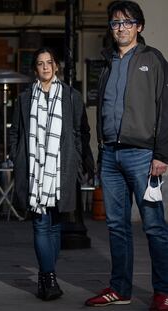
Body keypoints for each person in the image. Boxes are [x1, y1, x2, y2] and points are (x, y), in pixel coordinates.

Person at [85, 1, 168, 310]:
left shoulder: (153, 60)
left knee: (154, 226)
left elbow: (165, 109)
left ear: (139, 27)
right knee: (116, 226)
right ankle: (120, 289)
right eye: (115, 23)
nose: (120, 28)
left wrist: (162, 154)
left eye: (127, 22)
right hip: (110, 156)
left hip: (143, 156)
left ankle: (163, 291)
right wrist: (100, 151)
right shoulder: (107, 63)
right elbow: (102, 109)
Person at [9, 47, 87, 301]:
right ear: (35, 69)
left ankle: (45, 277)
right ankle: (49, 277)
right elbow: (16, 133)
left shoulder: (71, 96)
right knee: (41, 224)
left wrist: (77, 163)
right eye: (40, 64)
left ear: (56, 66)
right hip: (34, 171)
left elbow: (79, 132)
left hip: (59, 170)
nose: (45, 67)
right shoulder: (24, 99)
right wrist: (17, 157)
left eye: (49, 62)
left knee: (55, 226)